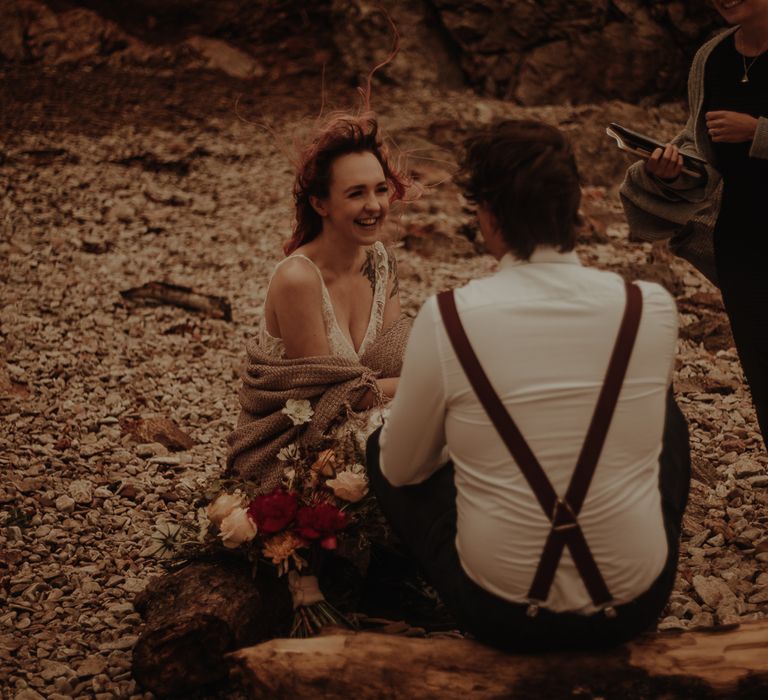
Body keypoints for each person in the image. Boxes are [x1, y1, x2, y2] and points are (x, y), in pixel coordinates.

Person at [366, 120, 691, 651]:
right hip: (635, 602)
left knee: (384, 446)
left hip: (505, 614)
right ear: (575, 210)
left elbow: (402, 470)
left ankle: (390, 591)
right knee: (665, 415)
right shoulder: (649, 307)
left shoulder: (447, 318)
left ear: (488, 216)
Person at [227, 113, 412, 492]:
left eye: (380, 189)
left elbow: (391, 364)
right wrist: (428, 382)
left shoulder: (381, 261)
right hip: (298, 444)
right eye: (356, 193)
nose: (375, 205)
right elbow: (331, 398)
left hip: (371, 418)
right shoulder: (298, 279)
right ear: (320, 203)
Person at [620, 0, 768, 445]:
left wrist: (757, 131)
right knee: (761, 367)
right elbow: (701, 147)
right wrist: (671, 168)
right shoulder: (712, 56)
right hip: (741, 237)